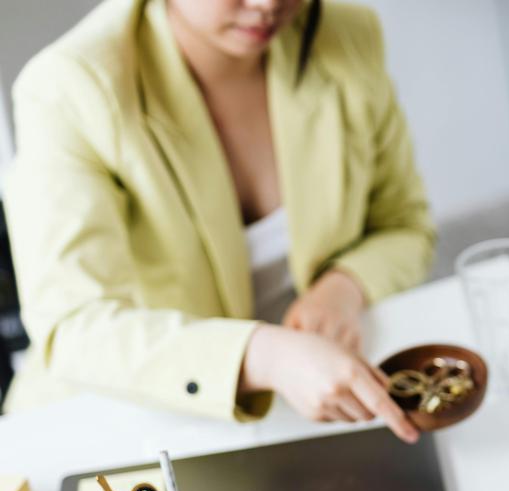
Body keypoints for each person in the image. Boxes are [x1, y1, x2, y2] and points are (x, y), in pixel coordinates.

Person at [2, 0, 429, 443]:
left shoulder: (346, 33)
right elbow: (75, 326)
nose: (268, 5)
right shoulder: (71, 85)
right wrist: (262, 355)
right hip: (117, 418)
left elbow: (405, 224)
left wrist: (345, 285)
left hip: (303, 399)